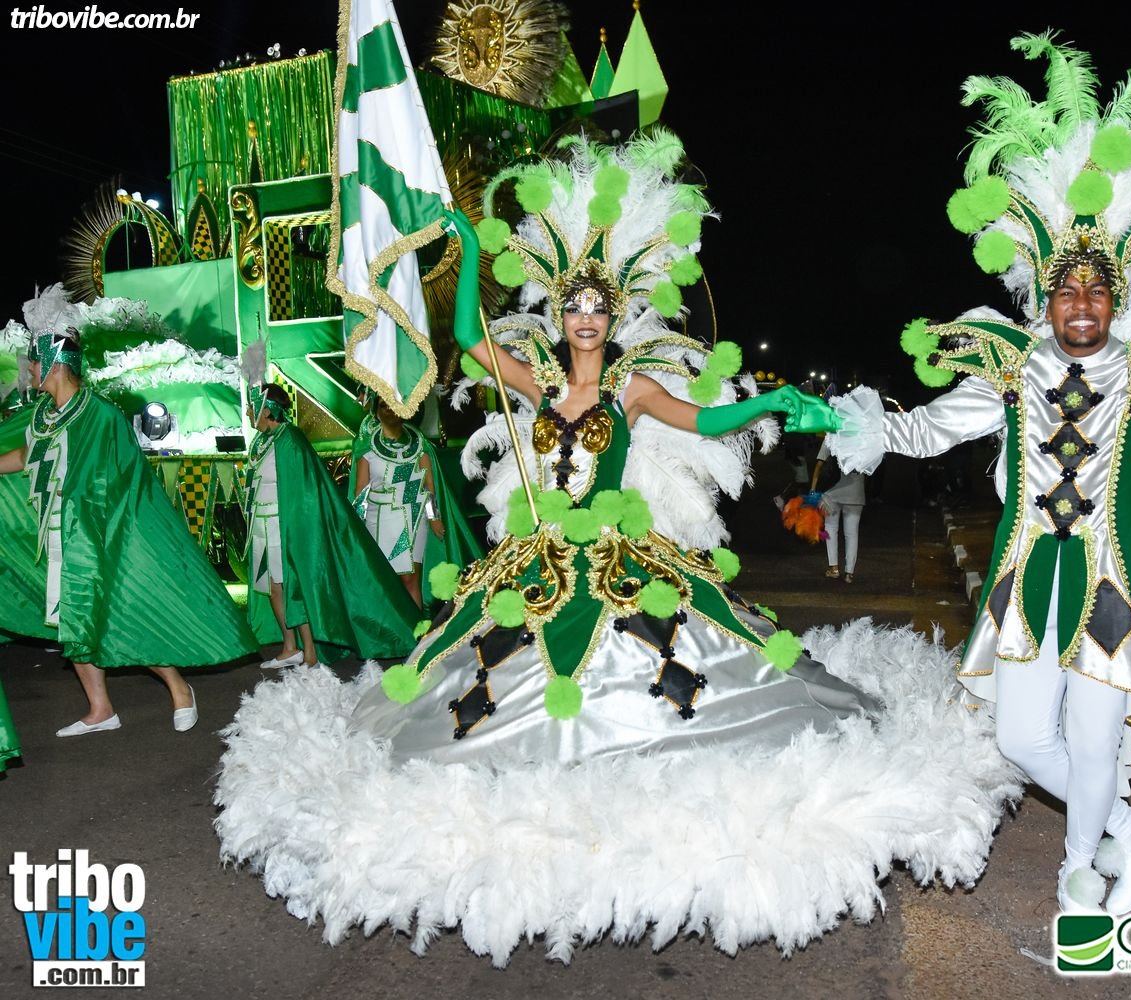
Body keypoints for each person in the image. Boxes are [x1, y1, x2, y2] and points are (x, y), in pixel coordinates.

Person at [217, 132, 1015, 963]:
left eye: (599, 309)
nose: (587, 319)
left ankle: (642, 786)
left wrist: (771, 402)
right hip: (535, 552)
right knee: (480, 665)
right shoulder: (537, 380)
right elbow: (468, 336)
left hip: (620, 557)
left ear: (614, 315)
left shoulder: (632, 387)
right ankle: (524, 796)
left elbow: (704, 420)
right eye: (575, 308)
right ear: (559, 315)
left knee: (666, 655)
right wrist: (460, 244)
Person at [828, 35, 1131, 915]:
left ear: (1117, 299)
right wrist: (857, 423)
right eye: (1067, 292)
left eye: (1098, 292)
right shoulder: (1010, 365)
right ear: (1045, 298)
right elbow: (929, 429)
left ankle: (1079, 869)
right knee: (1025, 739)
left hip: (1113, 588)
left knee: (1095, 743)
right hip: (1027, 585)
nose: (1083, 305)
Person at [0, 325, 258, 735]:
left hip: (101, 537)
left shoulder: (100, 414)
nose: (29, 369)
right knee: (72, 620)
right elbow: (26, 454)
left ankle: (179, 688)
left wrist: (97, 520)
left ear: (53, 364)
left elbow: (123, 481)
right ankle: (100, 709)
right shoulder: (43, 415)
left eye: (34, 361)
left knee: (120, 613)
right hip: (59, 536)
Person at [243, 379, 422, 668]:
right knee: (274, 588)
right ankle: (289, 647)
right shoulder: (261, 442)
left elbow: (305, 487)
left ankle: (310, 652)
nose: (249, 413)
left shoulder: (290, 439)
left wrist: (296, 526)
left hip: (284, 524)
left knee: (293, 585)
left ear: (267, 409)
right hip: (261, 524)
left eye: (252, 407)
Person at [350, 397, 482, 609]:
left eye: (394, 405)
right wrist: (357, 526)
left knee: (411, 577)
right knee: (386, 579)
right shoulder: (366, 447)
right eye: (384, 406)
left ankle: (417, 627)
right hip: (378, 519)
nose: (390, 411)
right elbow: (360, 490)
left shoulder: (419, 444)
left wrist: (434, 517)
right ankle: (396, 626)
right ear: (375, 411)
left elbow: (429, 486)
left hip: (413, 517)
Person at [809, 433, 865, 582]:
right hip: (855, 491)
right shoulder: (862, 438)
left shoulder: (831, 436)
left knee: (831, 528)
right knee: (851, 533)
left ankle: (833, 568)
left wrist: (813, 489)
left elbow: (819, 464)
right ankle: (849, 573)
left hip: (831, 492)